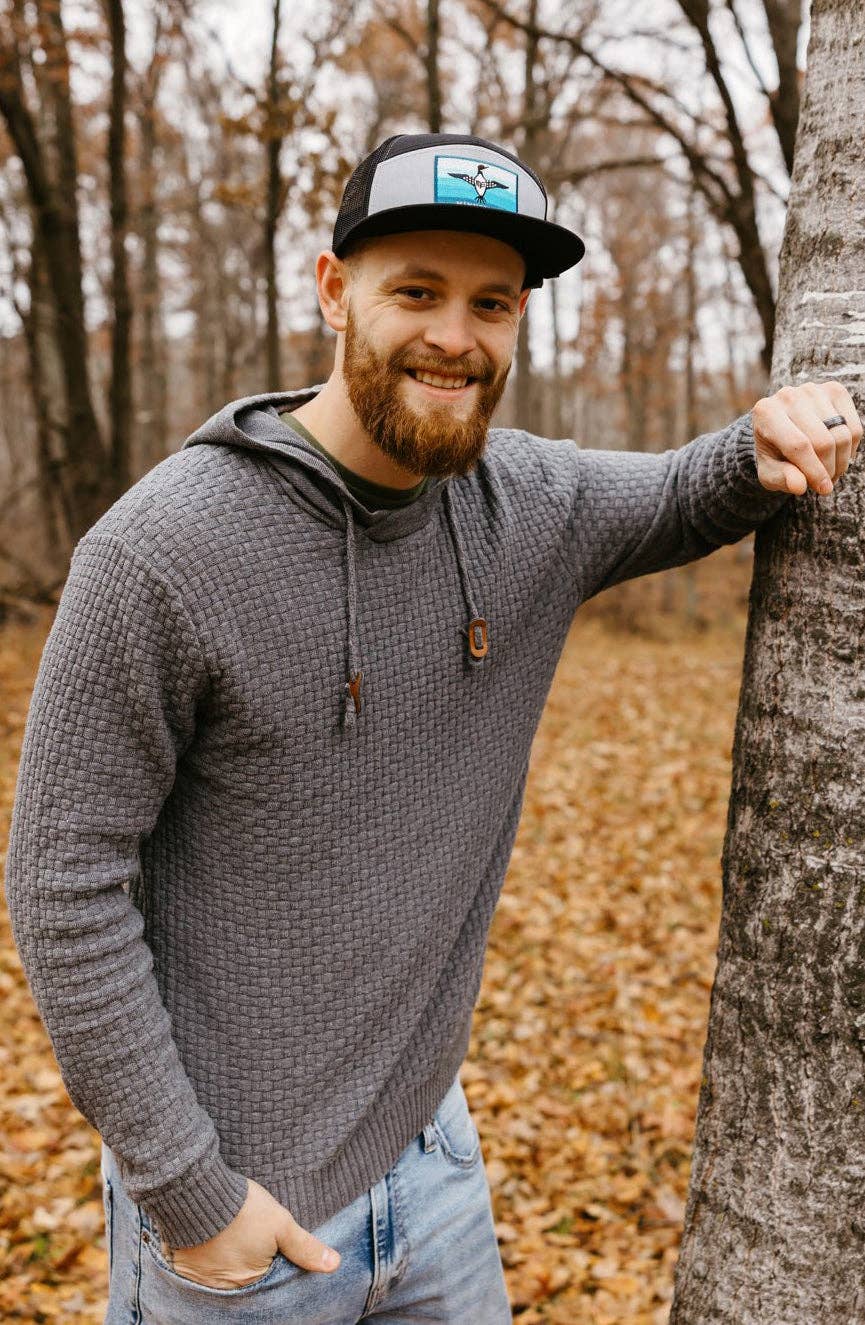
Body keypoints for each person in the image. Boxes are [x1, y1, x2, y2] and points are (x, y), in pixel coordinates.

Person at [4, 131, 860, 1325]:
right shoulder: (162, 555)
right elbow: (59, 884)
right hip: (239, 1226)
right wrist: (191, 1192)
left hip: (434, 1169)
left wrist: (769, 431)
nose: (456, 336)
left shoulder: (526, 504)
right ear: (332, 290)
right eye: (416, 292)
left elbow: (680, 490)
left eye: (490, 303)